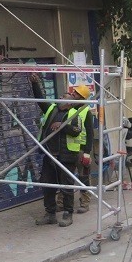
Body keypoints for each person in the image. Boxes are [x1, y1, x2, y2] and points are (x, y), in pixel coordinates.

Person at [29, 74, 95, 227]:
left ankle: (68, 213)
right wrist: (35, 84)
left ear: (71, 102)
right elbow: (40, 99)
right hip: (49, 154)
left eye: (64, 96)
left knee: (67, 186)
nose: (60, 97)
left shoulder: (75, 113)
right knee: (48, 184)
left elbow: (78, 131)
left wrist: (63, 126)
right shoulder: (51, 109)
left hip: (67, 155)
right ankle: (50, 213)